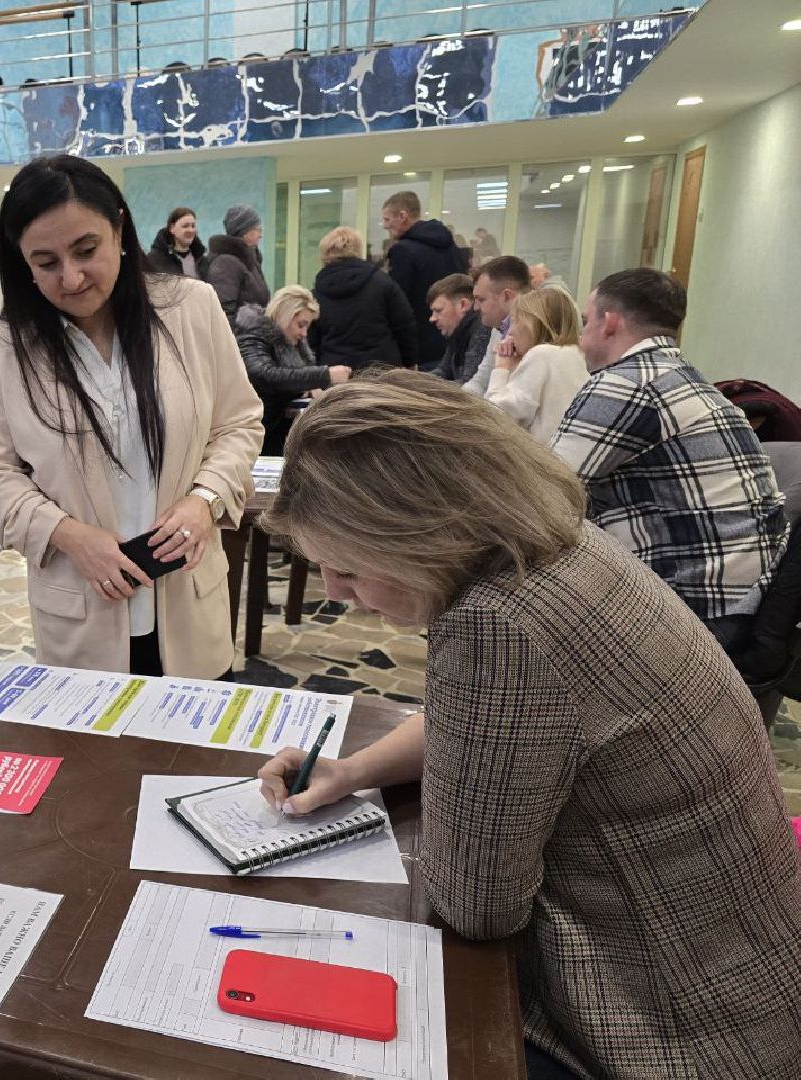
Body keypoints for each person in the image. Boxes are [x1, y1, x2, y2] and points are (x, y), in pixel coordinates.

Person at [256, 371, 801, 1080]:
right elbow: (499, 727)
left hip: (673, 1023)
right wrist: (352, 771)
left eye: (349, 571)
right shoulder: (561, 546)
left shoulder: (496, 625)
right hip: (749, 969)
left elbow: (476, 906)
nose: (335, 594)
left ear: (417, 532)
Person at [0, 155, 263, 680]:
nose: (72, 277)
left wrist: (205, 500)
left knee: (196, 727)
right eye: (46, 262)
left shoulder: (192, 308)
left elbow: (238, 423)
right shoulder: (1, 349)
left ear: (119, 229)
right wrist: (68, 536)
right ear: (22, 263)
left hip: (190, 604)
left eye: (86, 250)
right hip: (81, 614)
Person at [552, 268, 786, 649]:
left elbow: (540, 496)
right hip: (740, 604)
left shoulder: (627, 382)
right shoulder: (685, 377)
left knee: (510, 592)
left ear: (609, 323)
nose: (579, 338)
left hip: (693, 620)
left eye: (585, 321)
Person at [238, 285, 350, 456]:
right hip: (252, 431)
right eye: (301, 325)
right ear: (286, 316)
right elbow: (264, 375)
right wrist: (324, 375)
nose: (304, 333)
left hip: (273, 429)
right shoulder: (253, 336)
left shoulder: (292, 341)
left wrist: (308, 386)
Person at [484, 287, 589, 445]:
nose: (510, 332)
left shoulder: (541, 355)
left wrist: (501, 368)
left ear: (533, 324)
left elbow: (496, 417)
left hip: (538, 456)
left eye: (516, 320)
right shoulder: (575, 354)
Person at [379, 191, 471, 372]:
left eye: (387, 219)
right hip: (455, 337)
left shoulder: (403, 251)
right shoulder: (451, 247)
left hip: (420, 344)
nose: (385, 225)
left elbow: (397, 301)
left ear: (403, 216)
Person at [306, 226, 417, 372]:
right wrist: (410, 361)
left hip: (336, 372)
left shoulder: (316, 294)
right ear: (358, 250)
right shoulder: (384, 284)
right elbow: (404, 326)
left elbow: (311, 340)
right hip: (382, 369)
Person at [462, 254, 534, 396]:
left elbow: (514, 403)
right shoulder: (498, 328)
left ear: (506, 296)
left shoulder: (538, 333)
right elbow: (480, 382)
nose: (475, 307)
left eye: (481, 299)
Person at [204, 204, 270, 328]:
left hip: (252, 336)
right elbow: (223, 314)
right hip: (239, 338)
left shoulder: (250, 261)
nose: (260, 234)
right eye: (258, 229)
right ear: (245, 232)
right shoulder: (226, 264)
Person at [427, 273, 491, 386]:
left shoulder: (482, 330)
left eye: (438, 311)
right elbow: (444, 371)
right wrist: (413, 381)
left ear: (463, 305)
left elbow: (468, 385)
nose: (432, 319)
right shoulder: (458, 331)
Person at [147, 207, 210, 279]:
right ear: (172, 228)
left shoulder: (202, 260)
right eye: (185, 226)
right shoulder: (155, 260)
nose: (190, 230)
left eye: (193, 226)